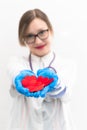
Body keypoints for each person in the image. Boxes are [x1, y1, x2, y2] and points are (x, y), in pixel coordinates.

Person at [7, 8, 77, 130]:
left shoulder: (67, 65)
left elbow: (65, 92)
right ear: (23, 39)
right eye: (30, 36)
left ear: (50, 30)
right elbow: (14, 72)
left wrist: (54, 83)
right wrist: (22, 78)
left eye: (42, 32)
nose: (38, 41)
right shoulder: (16, 62)